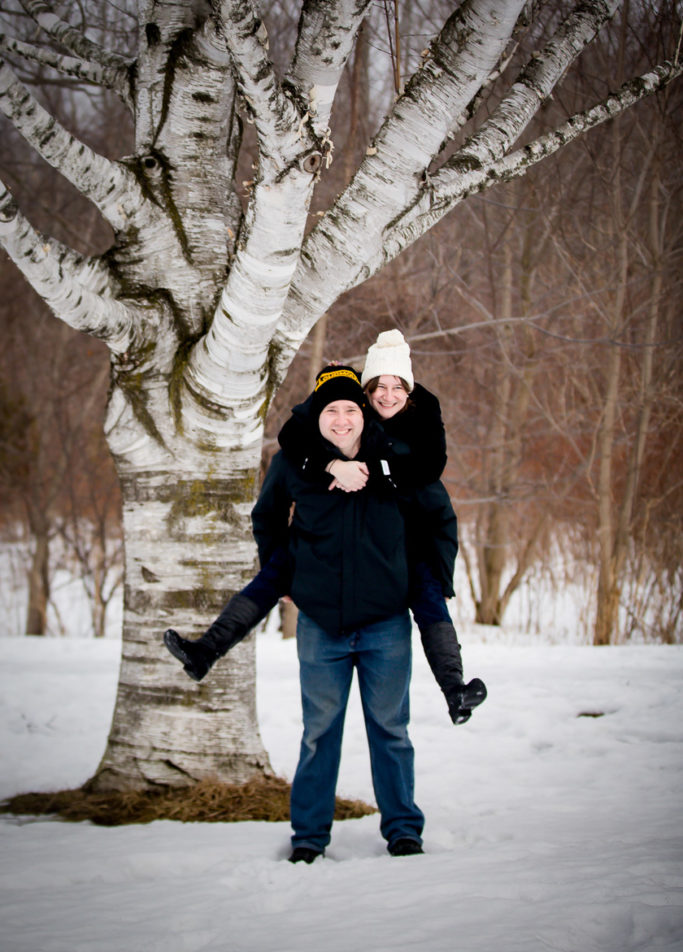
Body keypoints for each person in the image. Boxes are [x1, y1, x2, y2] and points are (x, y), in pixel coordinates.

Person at [164, 332, 487, 724]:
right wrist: (333, 464)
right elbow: (295, 435)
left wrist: (442, 571)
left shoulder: (419, 426)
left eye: (396, 387)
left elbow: (438, 504)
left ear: (408, 390)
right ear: (366, 394)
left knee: (429, 597)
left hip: (407, 542)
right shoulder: (332, 428)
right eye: (377, 388)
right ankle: (204, 652)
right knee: (272, 575)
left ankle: (454, 690)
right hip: (325, 551)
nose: (387, 396)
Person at [261, 366, 424, 860]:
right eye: (331, 409)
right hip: (321, 625)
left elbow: (424, 518)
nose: (341, 418)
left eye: (350, 408)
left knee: (391, 730)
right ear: (318, 415)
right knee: (319, 732)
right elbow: (266, 518)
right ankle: (309, 837)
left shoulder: (394, 458)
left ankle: (403, 830)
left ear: (363, 413)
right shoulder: (293, 463)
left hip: (386, 624)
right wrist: (284, 577)